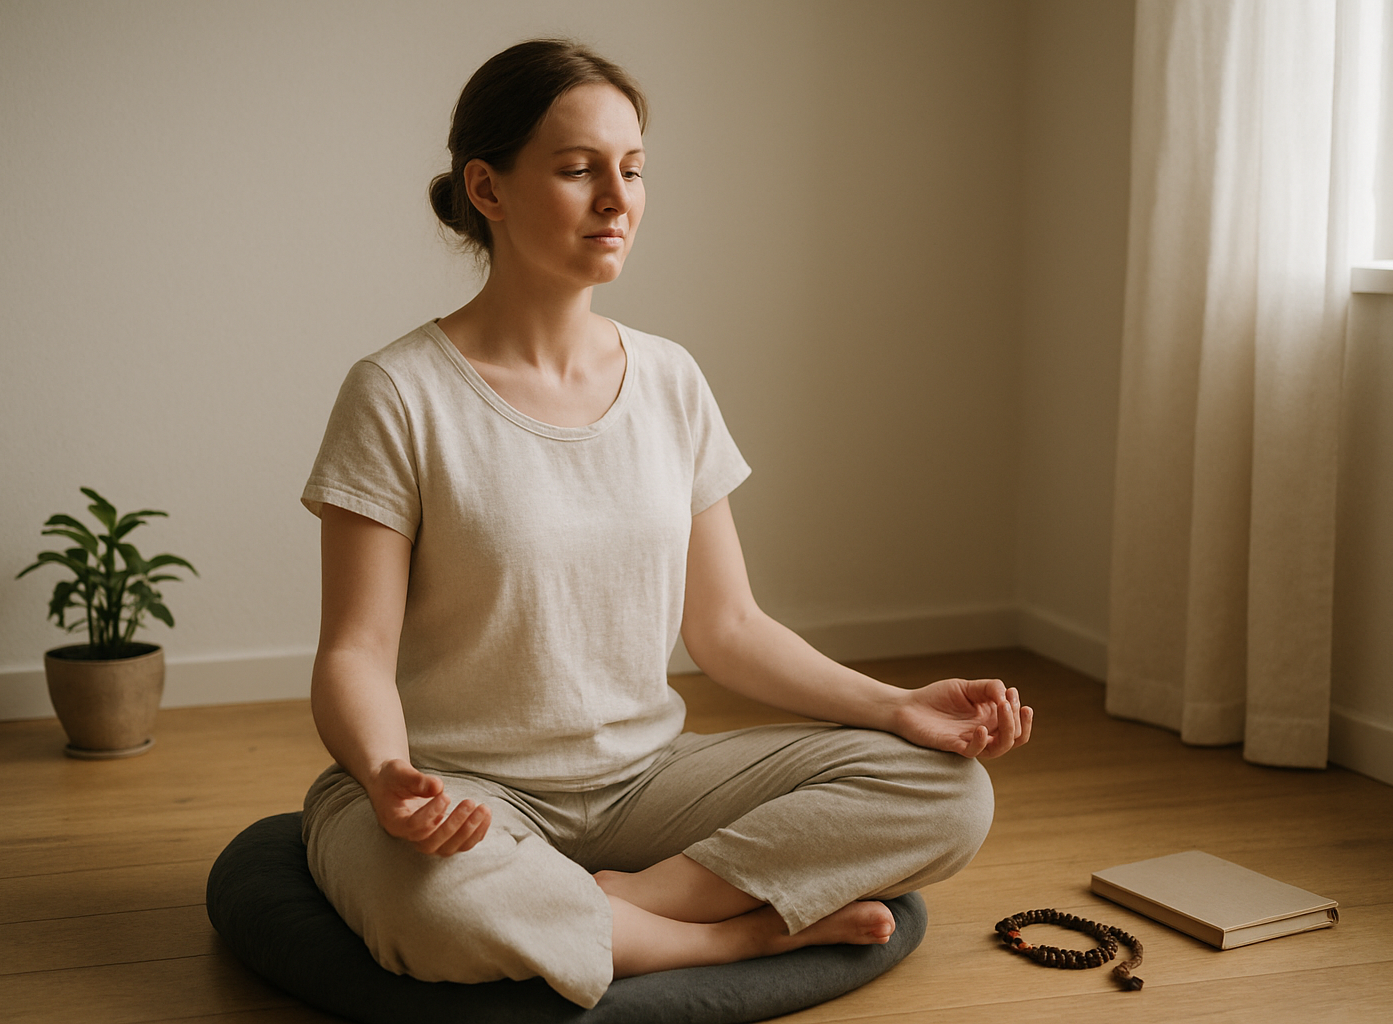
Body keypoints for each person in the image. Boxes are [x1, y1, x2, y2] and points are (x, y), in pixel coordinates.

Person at [299, 38, 1033, 1010]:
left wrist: (897, 706)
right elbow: (355, 650)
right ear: (487, 187)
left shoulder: (670, 379)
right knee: (434, 905)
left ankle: (628, 909)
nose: (618, 199)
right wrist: (388, 774)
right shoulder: (397, 393)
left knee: (948, 792)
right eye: (578, 169)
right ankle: (732, 938)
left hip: (646, 782)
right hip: (460, 792)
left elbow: (728, 628)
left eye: (634, 170)